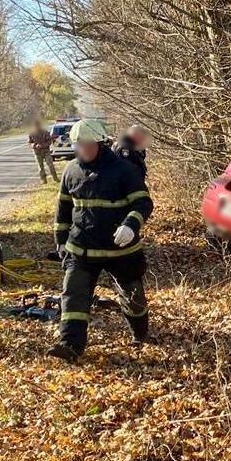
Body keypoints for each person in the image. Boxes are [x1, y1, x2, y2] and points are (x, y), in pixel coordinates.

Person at [49, 119, 154, 362]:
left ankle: (140, 333)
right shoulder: (71, 171)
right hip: (81, 249)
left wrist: (131, 224)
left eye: (86, 145)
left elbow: (143, 203)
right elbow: (63, 209)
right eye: (78, 145)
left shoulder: (124, 170)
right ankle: (70, 345)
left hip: (120, 251)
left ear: (100, 143)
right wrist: (61, 241)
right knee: (73, 296)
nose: (82, 150)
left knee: (133, 297)